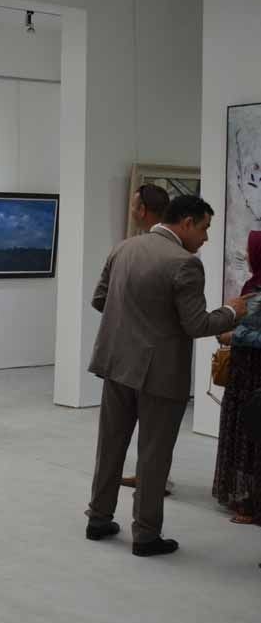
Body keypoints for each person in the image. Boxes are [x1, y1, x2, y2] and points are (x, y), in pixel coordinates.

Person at [85, 195, 246, 556]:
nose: (205, 237)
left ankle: (98, 518)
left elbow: (100, 300)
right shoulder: (185, 264)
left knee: (110, 446)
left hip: (116, 365)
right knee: (154, 456)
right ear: (186, 222)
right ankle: (145, 536)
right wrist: (231, 311)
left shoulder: (123, 248)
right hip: (159, 374)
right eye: (204, 228)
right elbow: (197, 324)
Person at [121, 184, 170, 491]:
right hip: (151, 354)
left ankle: (151, 480)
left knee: (152, 426)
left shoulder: (132, 249)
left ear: (142, 210)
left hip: (148, 356)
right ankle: (150, 476)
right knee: (153, 425)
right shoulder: (175, 252)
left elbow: (101, 300)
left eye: (134, 205)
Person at [213, 230, 261, 523]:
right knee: (244, 431)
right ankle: (246, 496)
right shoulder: (251, 285)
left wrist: (235, 335)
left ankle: (254, 504)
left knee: (253, 434)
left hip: (254, 374)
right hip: (244, 373)